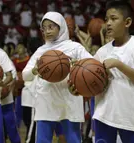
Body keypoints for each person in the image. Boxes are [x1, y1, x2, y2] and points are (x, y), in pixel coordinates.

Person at [22, 12, 92, 143]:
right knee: (42, 140)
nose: (47, 31)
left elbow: (91, 65)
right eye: (44, 28)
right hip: (46, 99)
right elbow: (25, 75)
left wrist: (79, 65)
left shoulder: (75, 47)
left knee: (73, 140)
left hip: (70, 97)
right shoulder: (41, 51)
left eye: (51, 27)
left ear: (61, 27)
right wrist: (35, 70)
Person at [90, 1, 134, 142]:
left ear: (127, 22)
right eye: (106, 20)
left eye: (113, 18)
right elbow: (89, 77)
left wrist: (117, 64)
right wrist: (78, 88)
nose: (108, 23)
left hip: (129, 114)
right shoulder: (102, 51)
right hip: (104, 113)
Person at [1, 68, 21, 143]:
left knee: (11, 126)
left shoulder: (8, 63)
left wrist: (7, 90)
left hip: (7, 102)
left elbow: (14, 79)